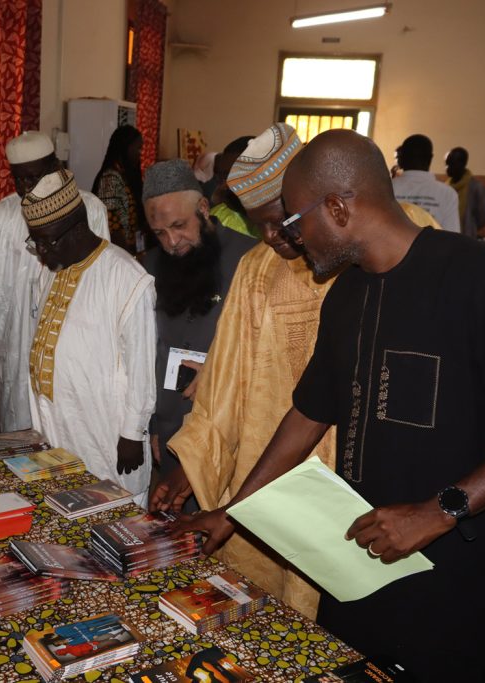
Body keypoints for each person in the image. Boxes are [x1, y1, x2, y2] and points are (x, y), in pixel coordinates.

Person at [175, 129, 485, 681]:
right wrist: (235, 510)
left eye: (295, 221)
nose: (290, 241)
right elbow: (309, 411)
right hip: (361, 559)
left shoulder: (477, 279)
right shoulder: (348, 292)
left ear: (339, 208)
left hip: (454, 564)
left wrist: (437, 511)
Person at [151, 123, 334, 618]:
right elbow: (223, 388)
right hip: (266, 467)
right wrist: (190, 467)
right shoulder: (257, 268)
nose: (273, 238)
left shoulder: (362, 254)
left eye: (281, 221)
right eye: (261, 226)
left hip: (347, 477)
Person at [0, 131, 110, 432]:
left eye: (32, 178)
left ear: (55, 168)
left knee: (64, 438)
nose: (24, 188)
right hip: (15, 343)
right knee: (17, 431)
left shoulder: (89, 210)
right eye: (18, 179)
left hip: (66, 348)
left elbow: (99, 281)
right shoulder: (4, 213)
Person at [23, 169, 156, 506]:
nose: (40, 252)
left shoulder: (126, 277)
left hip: (106, 433)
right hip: (59, 427)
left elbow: (141, 368)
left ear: (77, 229)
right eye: (35, 241)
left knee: (114, 519)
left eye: (46, 242)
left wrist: (131, 434)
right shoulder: (52, 270)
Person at [141, 159, 255, 512]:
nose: (172, 242)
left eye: (179, 225)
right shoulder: (149, 267)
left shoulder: (250, 260)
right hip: (173, 428)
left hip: (230, 429)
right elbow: (150, 351)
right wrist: (155, 425)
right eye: (159, 233)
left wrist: (220, 372)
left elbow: (269, 353)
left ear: (203, 208)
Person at [390, 134, 461, 232]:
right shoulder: (447, 194)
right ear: (430, 158)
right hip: (433, 247)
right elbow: (452, 236)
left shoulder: (386, 188)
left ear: (402, 157)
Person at [93, 125, 146, 255]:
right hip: (119, 253)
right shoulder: (110, 178)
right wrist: (128, 259)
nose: (140, 153)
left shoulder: (127, 174)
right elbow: (111, 226)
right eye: (137, 148)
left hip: (131, 249)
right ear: (125, 147)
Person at [206, 136, 260, 239]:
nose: (224, 186)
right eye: (222, 177)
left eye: (233, 176)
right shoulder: (217, 219)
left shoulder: (285, 218)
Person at [444, 146, 485, 240]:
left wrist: (470, 225)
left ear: (462, 164)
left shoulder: (476, 188)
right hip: (446, 237)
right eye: (446, 164)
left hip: (466, 237)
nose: (447, 168)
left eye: (451, 164)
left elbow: (483, 218)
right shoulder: (445, 187)